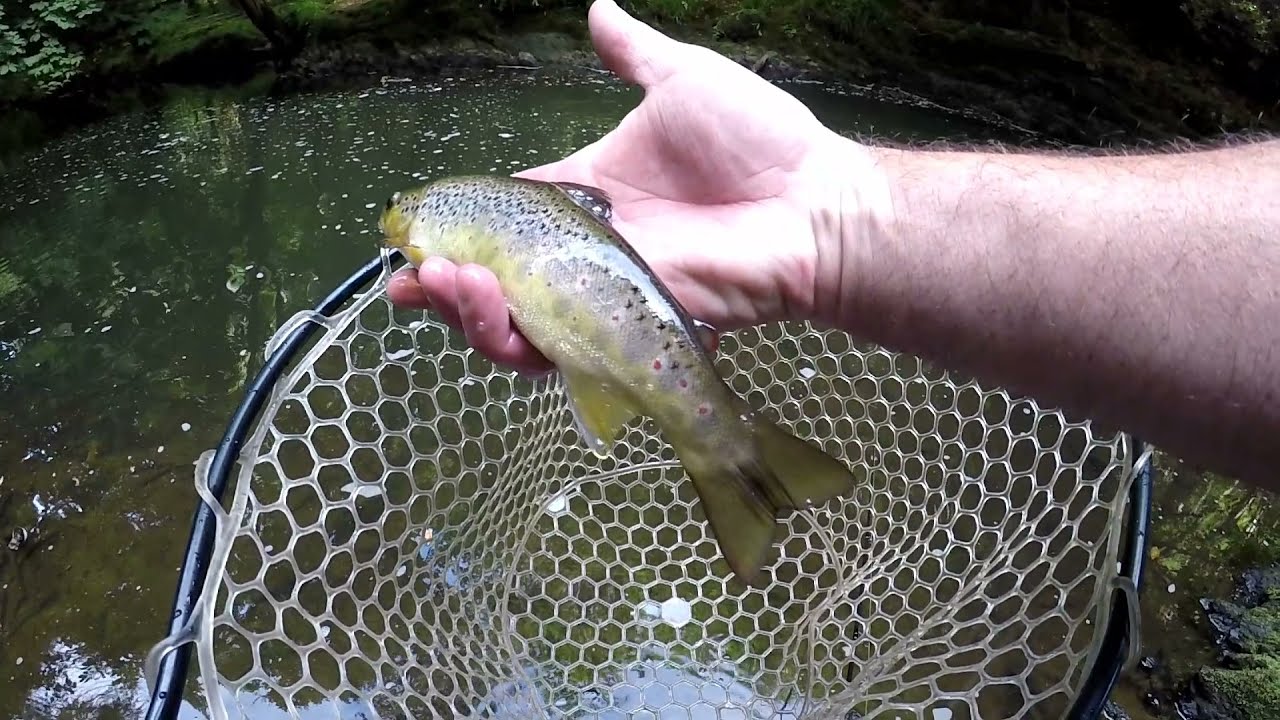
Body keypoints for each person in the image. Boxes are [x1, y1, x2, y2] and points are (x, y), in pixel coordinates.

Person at [387, 0, 1279, 492]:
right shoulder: (467, 213)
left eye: (401, 214)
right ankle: (725, 447)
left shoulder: (433, 215)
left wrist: (833, 209)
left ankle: (721, 448)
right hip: (602, 285)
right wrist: (837, 214)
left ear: (419, 215)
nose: (396, 224)